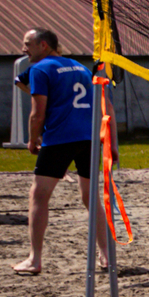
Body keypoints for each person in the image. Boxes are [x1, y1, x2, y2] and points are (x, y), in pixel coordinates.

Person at [15, 26, 109, 275]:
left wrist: (33, 139)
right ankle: (106, 254)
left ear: (43, 45)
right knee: (91, 197)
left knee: (39, 195)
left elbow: (37, 114)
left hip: (59, 138)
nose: (24, 48)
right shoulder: (79, 66)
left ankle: (34, 259)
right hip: (88, 137)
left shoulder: (40, 69)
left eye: (28, 44)